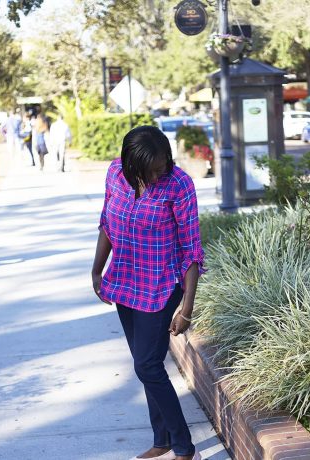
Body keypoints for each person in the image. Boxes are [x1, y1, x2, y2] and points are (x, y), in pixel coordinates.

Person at [92, 126, 205, 460]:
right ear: (131, 165)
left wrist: (186, 307)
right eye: (153, 168)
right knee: (147, 365)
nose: (161, 172)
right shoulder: (115, 173)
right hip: (126, 280)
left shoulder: (179, 184)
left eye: (164, 164)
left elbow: (191, 250)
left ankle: (185, 449)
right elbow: (106, 224)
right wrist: (97, 269)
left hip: (160, 285)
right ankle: (163, 439)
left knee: (147, 366)